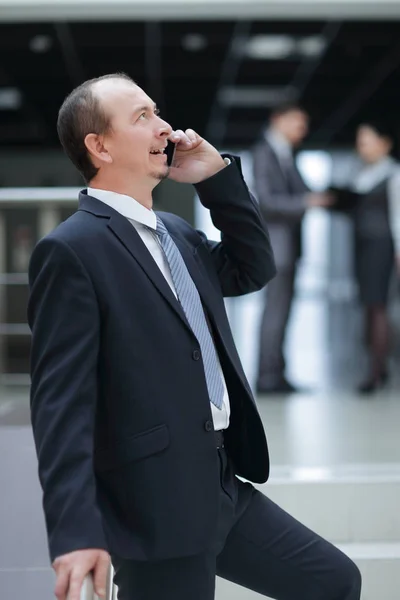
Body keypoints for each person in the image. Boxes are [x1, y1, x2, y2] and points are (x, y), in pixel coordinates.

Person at [27, 73, 361, 600]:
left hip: (220, 483)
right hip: (152, 505)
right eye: (142, 117)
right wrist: (76, 531)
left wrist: (217, 179)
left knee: (333, 581)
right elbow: (60, 406)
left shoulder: (178, 235)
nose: (165, 127)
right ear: (100, 146)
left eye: (157, 112)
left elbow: (253, 267)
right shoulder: (72, 250)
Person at [253, 103, 333, 394]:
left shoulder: (286, 154)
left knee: (283, 313)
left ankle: (277, 374)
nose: (303, 130)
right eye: (298, 122)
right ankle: (266, 377)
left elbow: (300, 190)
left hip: (289, 248)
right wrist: (306, 202)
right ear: (278, 120)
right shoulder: (265, 153)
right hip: (277, 247)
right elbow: (266, 201)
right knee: (275, 312)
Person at [332, 121, 400, 393]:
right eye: (359, 143)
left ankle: (375, 371)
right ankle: (378, 367)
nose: (362, 148)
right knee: (369, 306)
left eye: (367, 142)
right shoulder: (362, 174)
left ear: (384, 143)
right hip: (362, 246)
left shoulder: (393, 174)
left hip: (381, 246)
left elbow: (398, 217)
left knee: (378, 305)